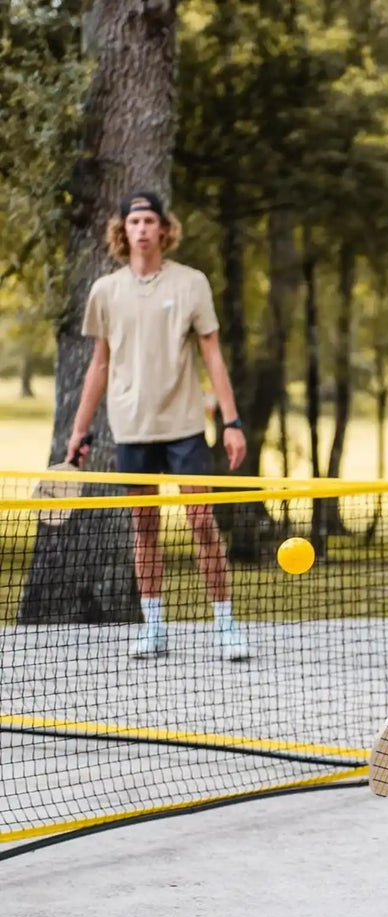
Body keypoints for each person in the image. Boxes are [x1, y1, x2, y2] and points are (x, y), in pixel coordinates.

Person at [66, 190, 250, 661]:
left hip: (186, 425)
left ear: (164, 230)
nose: (142, 229)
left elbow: (212, 354)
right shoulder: (105, 291)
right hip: (131, 428)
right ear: (123, 232)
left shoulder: (191, 283)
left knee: (203, 522)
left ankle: (226, 627)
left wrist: (231, 422)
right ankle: (154, 629)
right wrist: (79, 431)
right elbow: (99, 366)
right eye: (134, 222)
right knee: (144, 527)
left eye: (150, 221)